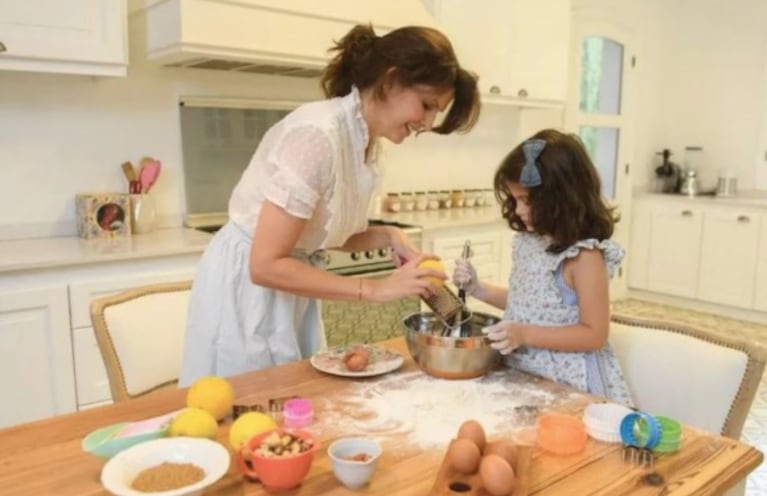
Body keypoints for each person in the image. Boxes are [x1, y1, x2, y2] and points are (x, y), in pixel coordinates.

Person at [180, 24, 481, 386]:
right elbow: (264, 265)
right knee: (244, 411)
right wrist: (376, 289)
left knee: (289, 407)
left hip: (288, 287)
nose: (428, 123)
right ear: (392, 81)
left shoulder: (363, 140)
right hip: (249, 290)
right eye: (427, 105)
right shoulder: (317, 136)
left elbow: (323, 233)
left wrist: (388, 236)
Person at [453, 129, 633, 403]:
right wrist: (479, 289)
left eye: (527, 200)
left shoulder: (584, 257)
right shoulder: (530, 242)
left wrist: (524, 333)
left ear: (563, 198)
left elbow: (594, 334)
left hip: (571, 384)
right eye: (514, 200)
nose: (519, 210)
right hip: (527, 371)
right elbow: (528, 304)